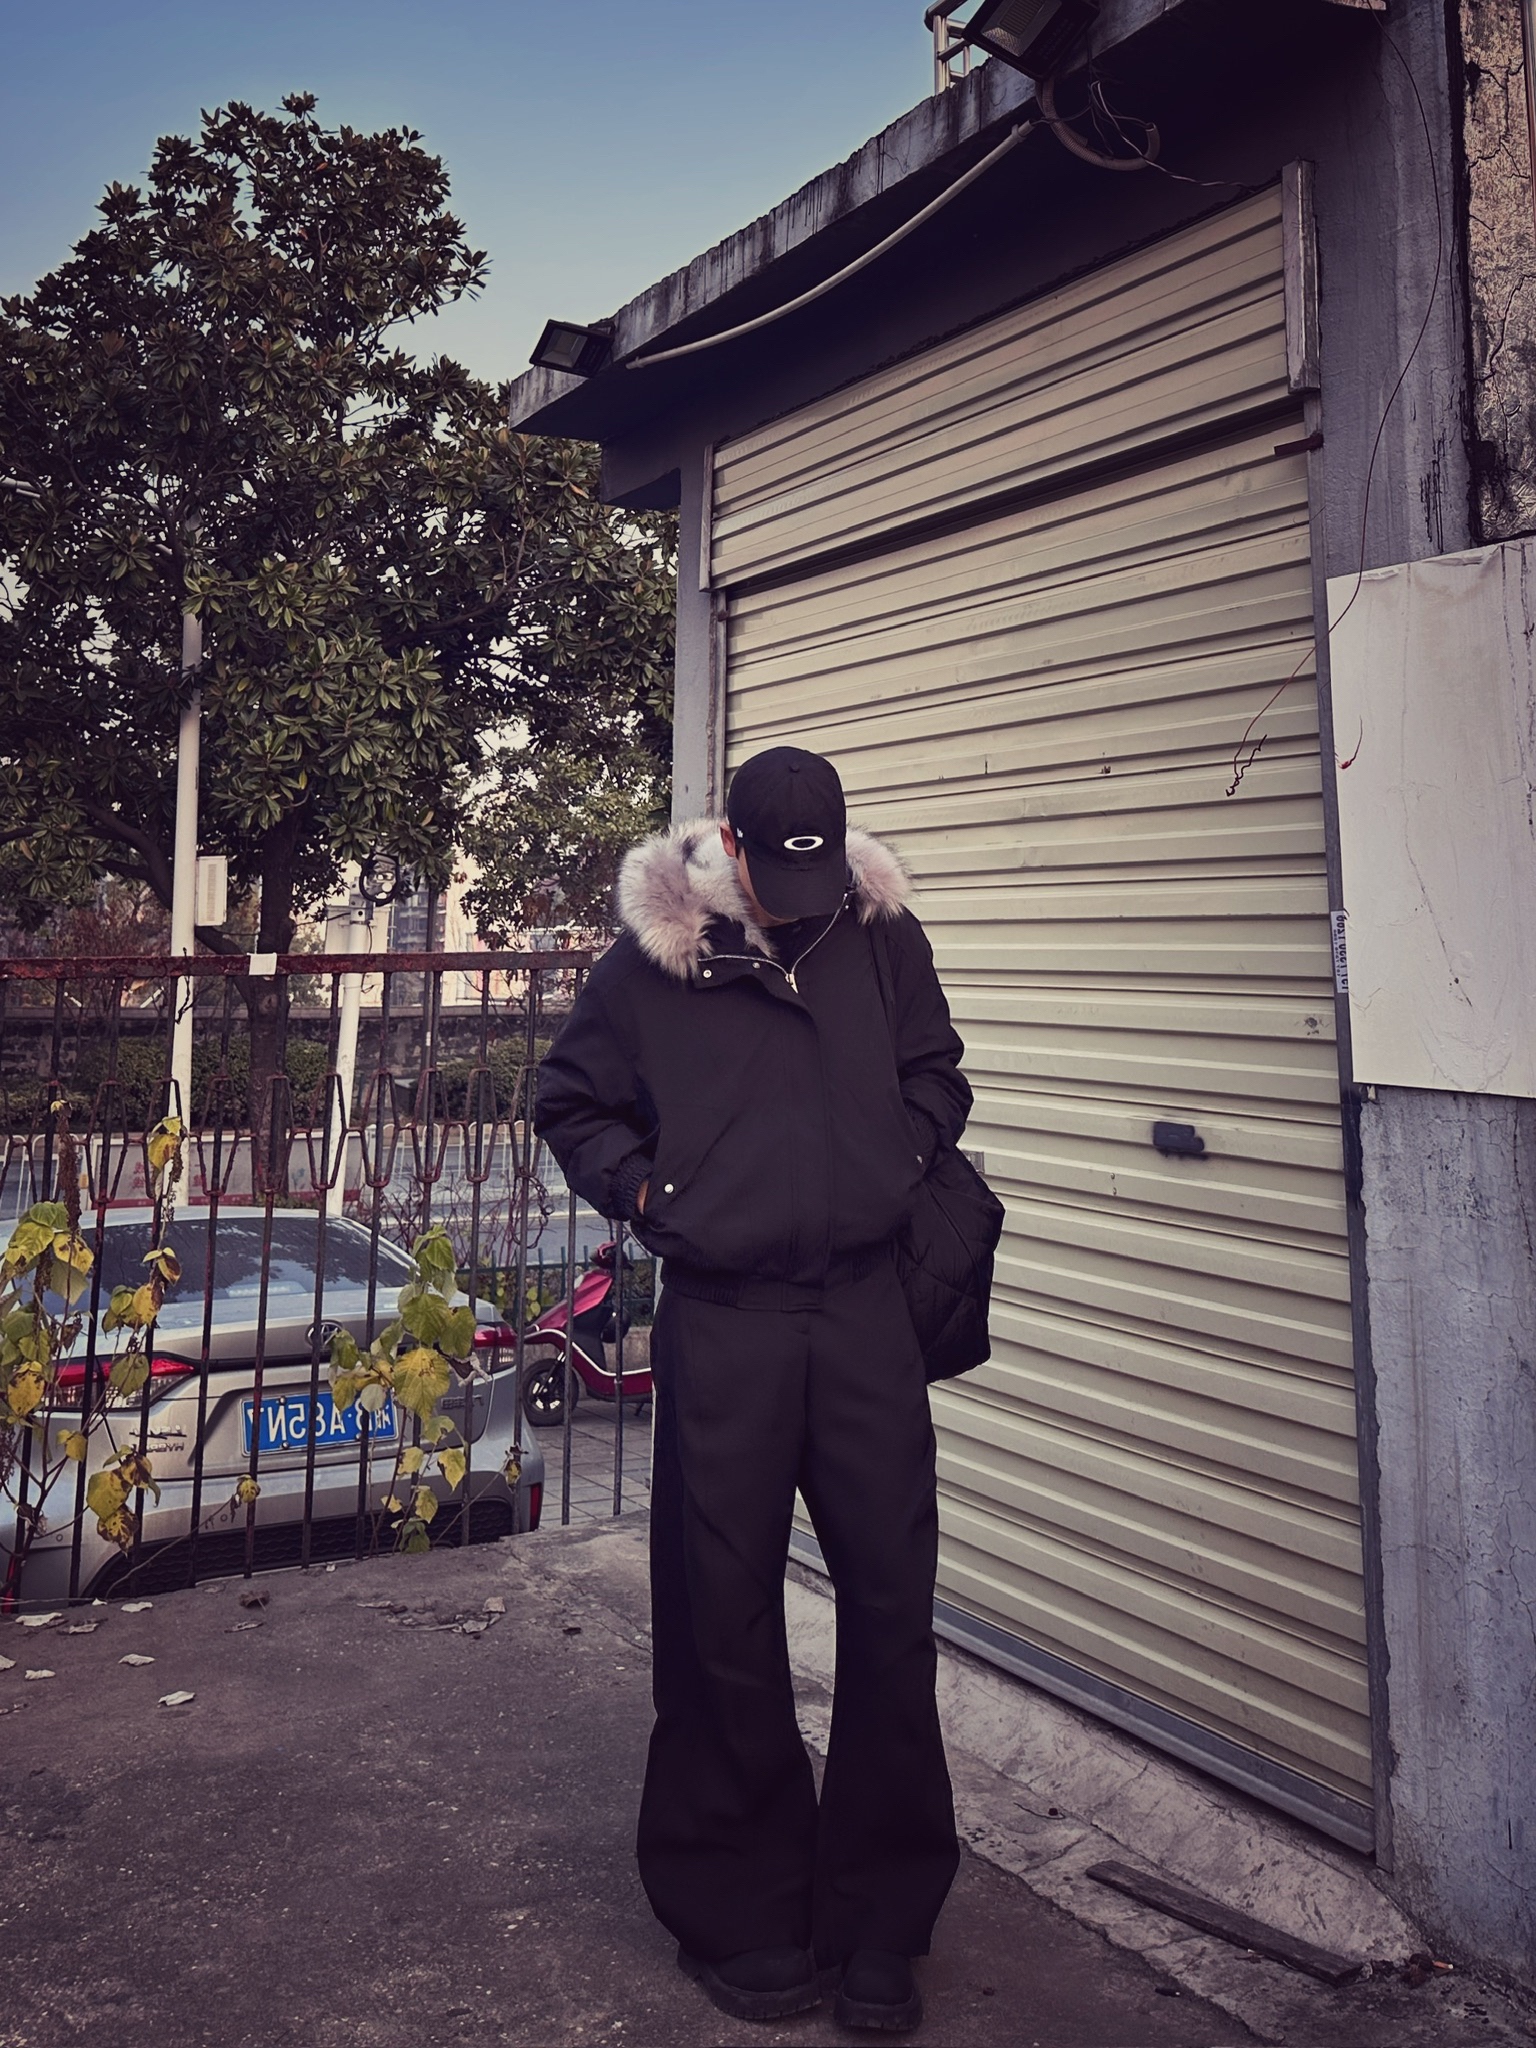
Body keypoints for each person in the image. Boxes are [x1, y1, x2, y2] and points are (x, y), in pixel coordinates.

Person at [535, 745, 971, 2032]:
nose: (802, 898)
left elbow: (937, 1069)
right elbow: (570, 1101)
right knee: (719, 1617)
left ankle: (881, 1915)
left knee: (890, 1609)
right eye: (780, 874)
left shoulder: (880, 935)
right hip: (725, 1319)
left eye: (820, 874)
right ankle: (740, 1908)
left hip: (865, 1313)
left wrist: (897, 1151)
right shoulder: (650, 962)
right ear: (732, 844)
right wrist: (652, 1191)